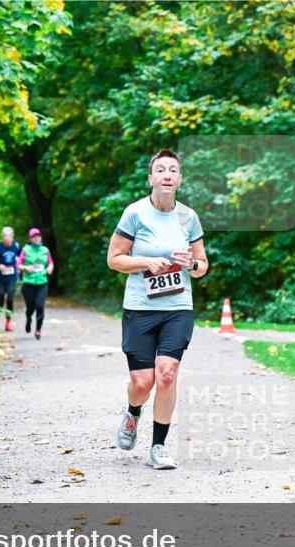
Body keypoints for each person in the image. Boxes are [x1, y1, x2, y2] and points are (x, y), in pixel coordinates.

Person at [106, 149, 209, 470]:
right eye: (161, 170)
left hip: (178, 308)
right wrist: (145, 261)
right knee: (142, 383)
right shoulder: (135, 214)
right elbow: (114, 258)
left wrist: (192, 264)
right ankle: (133, 412)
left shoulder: (188, 217)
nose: (167, 175)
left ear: (179, 179)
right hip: (140, 308)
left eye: (173, 170)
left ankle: (159, 447)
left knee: (166, 374)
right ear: (151, 178)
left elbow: (202, 264)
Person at [18, 227, 54, 340]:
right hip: (28, 283)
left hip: (42, 282)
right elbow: (19, 264)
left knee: (40, 306)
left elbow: (50, 263)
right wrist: (25, 268)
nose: (36, 238)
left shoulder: (45, 250)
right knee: (30, 308)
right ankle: (28, 318)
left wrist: (50, 268)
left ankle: (38, 330)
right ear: (30, 238)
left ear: (40, 237)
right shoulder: (26, 250)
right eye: (34, 236)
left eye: (38, 236)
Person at [0, 227, 20, 332]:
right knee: (1, 298)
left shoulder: (16, 246)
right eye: (5, 236)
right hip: (0, 277)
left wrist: (18, 261)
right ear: (2, 237)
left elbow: (23, 258)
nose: (7, 238)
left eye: (9, 236)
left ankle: (8, 323)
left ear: (12, 236)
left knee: (10, 299)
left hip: (12, 277)